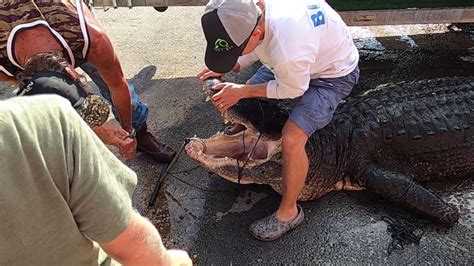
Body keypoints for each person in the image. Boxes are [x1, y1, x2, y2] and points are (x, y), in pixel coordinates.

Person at [198, 0, 360, 241]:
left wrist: (241, 91)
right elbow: (257, 45)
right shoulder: (248, 7)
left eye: (235, 48)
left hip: (331, 75)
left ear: (256, 32)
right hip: (299, 57)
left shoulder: (289, 48)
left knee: (292, 138)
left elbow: (292, 89)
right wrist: (236, 62)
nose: (234, 55)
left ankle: (289, 212)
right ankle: (245, 135)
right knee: (245, 96)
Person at [0, 95, 191, 265]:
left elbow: (116, 83)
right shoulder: (43, 120)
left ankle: (141, 136)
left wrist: (123, 131)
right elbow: (134, 248)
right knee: (180, 260)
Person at [0, 0, 175, 162]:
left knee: (114, 87)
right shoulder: (4, 66)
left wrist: (127, 131)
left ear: (72, 72)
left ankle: (141, 135)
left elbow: (117, 86)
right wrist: (95, 126)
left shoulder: (91, 38)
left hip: (73, 34)